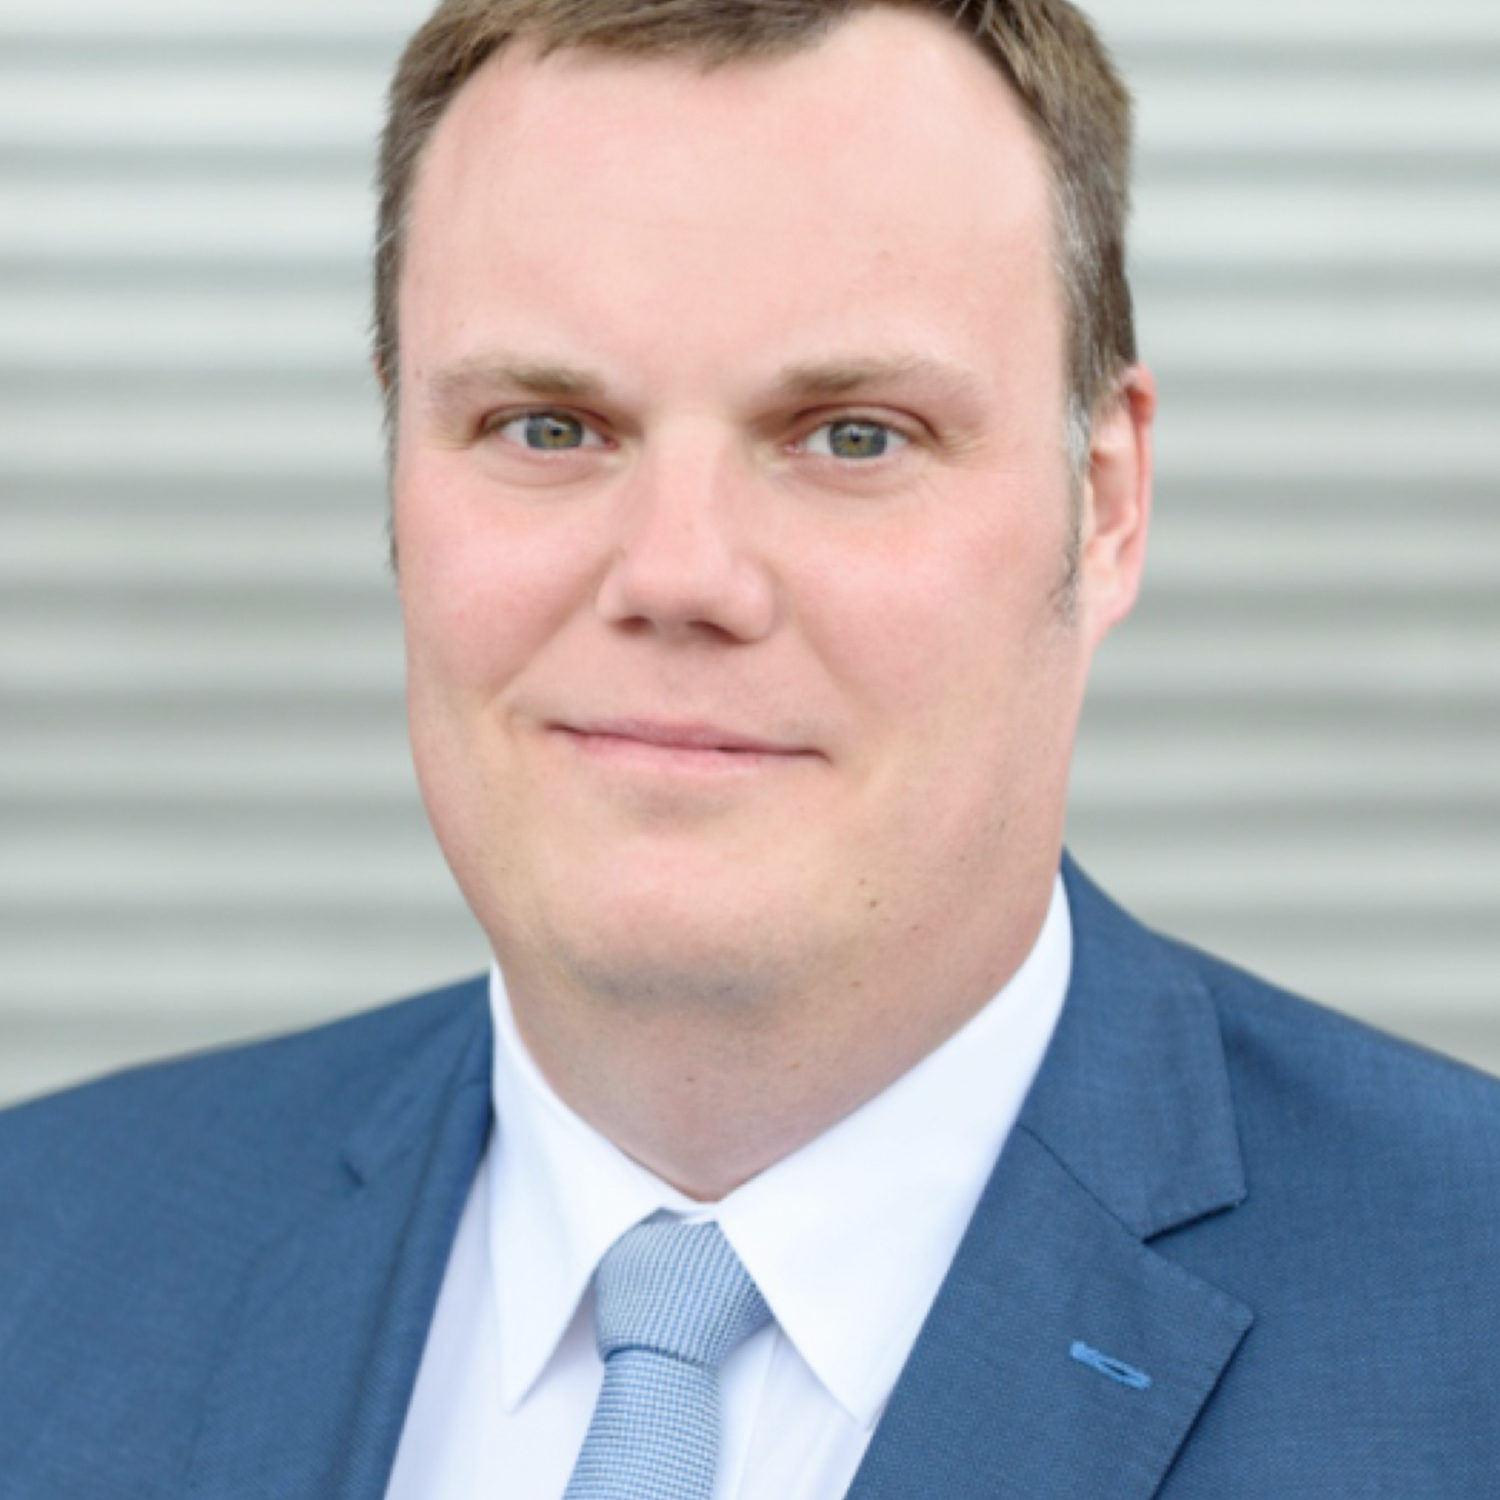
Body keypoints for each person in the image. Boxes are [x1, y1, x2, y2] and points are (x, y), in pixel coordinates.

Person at [2, 0, 1498, 1495]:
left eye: (853, 434)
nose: (679, 574)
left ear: (1104, 504)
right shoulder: (41, 1259)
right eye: (547, 427)